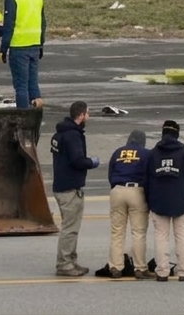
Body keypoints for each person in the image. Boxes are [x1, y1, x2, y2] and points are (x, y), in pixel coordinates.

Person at [50, 100, 100, 277]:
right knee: (70, 228)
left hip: (61, 184)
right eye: (88, 113)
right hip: (69, 188)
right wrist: (93, 162)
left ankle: (71, 260)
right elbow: (78, 160)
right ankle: (64, 264)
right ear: (81, 115)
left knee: (71, 226)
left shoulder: (59, 134)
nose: (89, 116)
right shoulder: (72, 136)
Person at [146, 119, 184, 282]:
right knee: (182, 236)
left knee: (161, 237)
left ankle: (162, 271)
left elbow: (146, 180)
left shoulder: (153, 154)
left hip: (159, 202)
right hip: (181, 202)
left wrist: (150, 201)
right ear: (177, 134)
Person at [107, 129, 152, 279]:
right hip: (136, 190)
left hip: (117, 190)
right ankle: (140, 268)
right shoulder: (146, 154)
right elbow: (149, 175)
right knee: (138, 232)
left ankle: (115, 266)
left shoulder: (118, 152)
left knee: (117, 232)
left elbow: (110, 173)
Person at [0, 0, 45, 109]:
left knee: (21, 86)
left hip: (19, 47)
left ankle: (23, 117)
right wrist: (41, 44)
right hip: (35, 45)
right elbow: (43, 23)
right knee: (33, 83)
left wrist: (3, 49)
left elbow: (9, 25)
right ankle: (37, 116)